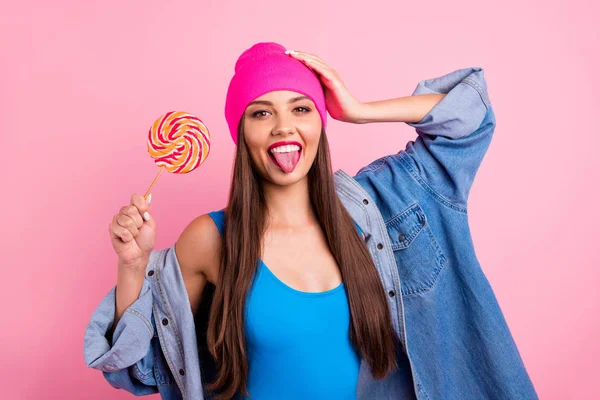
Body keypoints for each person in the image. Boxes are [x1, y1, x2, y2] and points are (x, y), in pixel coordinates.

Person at [84, 42, 538, 400]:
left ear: (320, 121)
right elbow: (140, 371)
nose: (284, 126)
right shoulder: (211, 239)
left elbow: (470, 118)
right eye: (262, 112)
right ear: (241, 132)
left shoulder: (383, 206)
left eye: (301, 108)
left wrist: (357, 110)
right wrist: (132, 263)